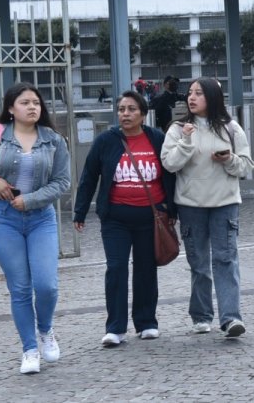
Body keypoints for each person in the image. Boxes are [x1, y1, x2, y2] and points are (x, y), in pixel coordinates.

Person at [0, 83, 70, 375]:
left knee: (46, 285)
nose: (32, 107)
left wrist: (31, 199)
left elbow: (62, 182)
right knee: (20, 288)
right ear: (11, 108)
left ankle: (45, 330)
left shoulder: (54, 140)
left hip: (41, 219)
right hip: (2, 219)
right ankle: (29, 349)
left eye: (36, 102)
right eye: (25, 102)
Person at [74, 91, 176, 347]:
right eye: (121, 109)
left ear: (142, 114)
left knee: (145, 269)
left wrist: (172, 209)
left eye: (131, 109)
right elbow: (89, 176)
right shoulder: (106, 141)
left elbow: (171, 174)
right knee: (116, 268)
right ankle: (115, 327)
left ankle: (146, 322)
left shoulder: (156, 138)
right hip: (115, 219)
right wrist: (80, 211)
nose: (125, 114)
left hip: (149, 219)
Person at [160, 77, 254, 338]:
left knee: (225, 260)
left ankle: (231, 318)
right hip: (191, 204)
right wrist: (187, 142)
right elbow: (169, 164)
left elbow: (246, 166)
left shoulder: (231, 128)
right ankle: (201, 315)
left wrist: (229, 159)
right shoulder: (178, 129)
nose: (192, 98)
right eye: (190, 93)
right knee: (199, 263)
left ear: (212, 97)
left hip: (225, 203)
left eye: (198, 93)